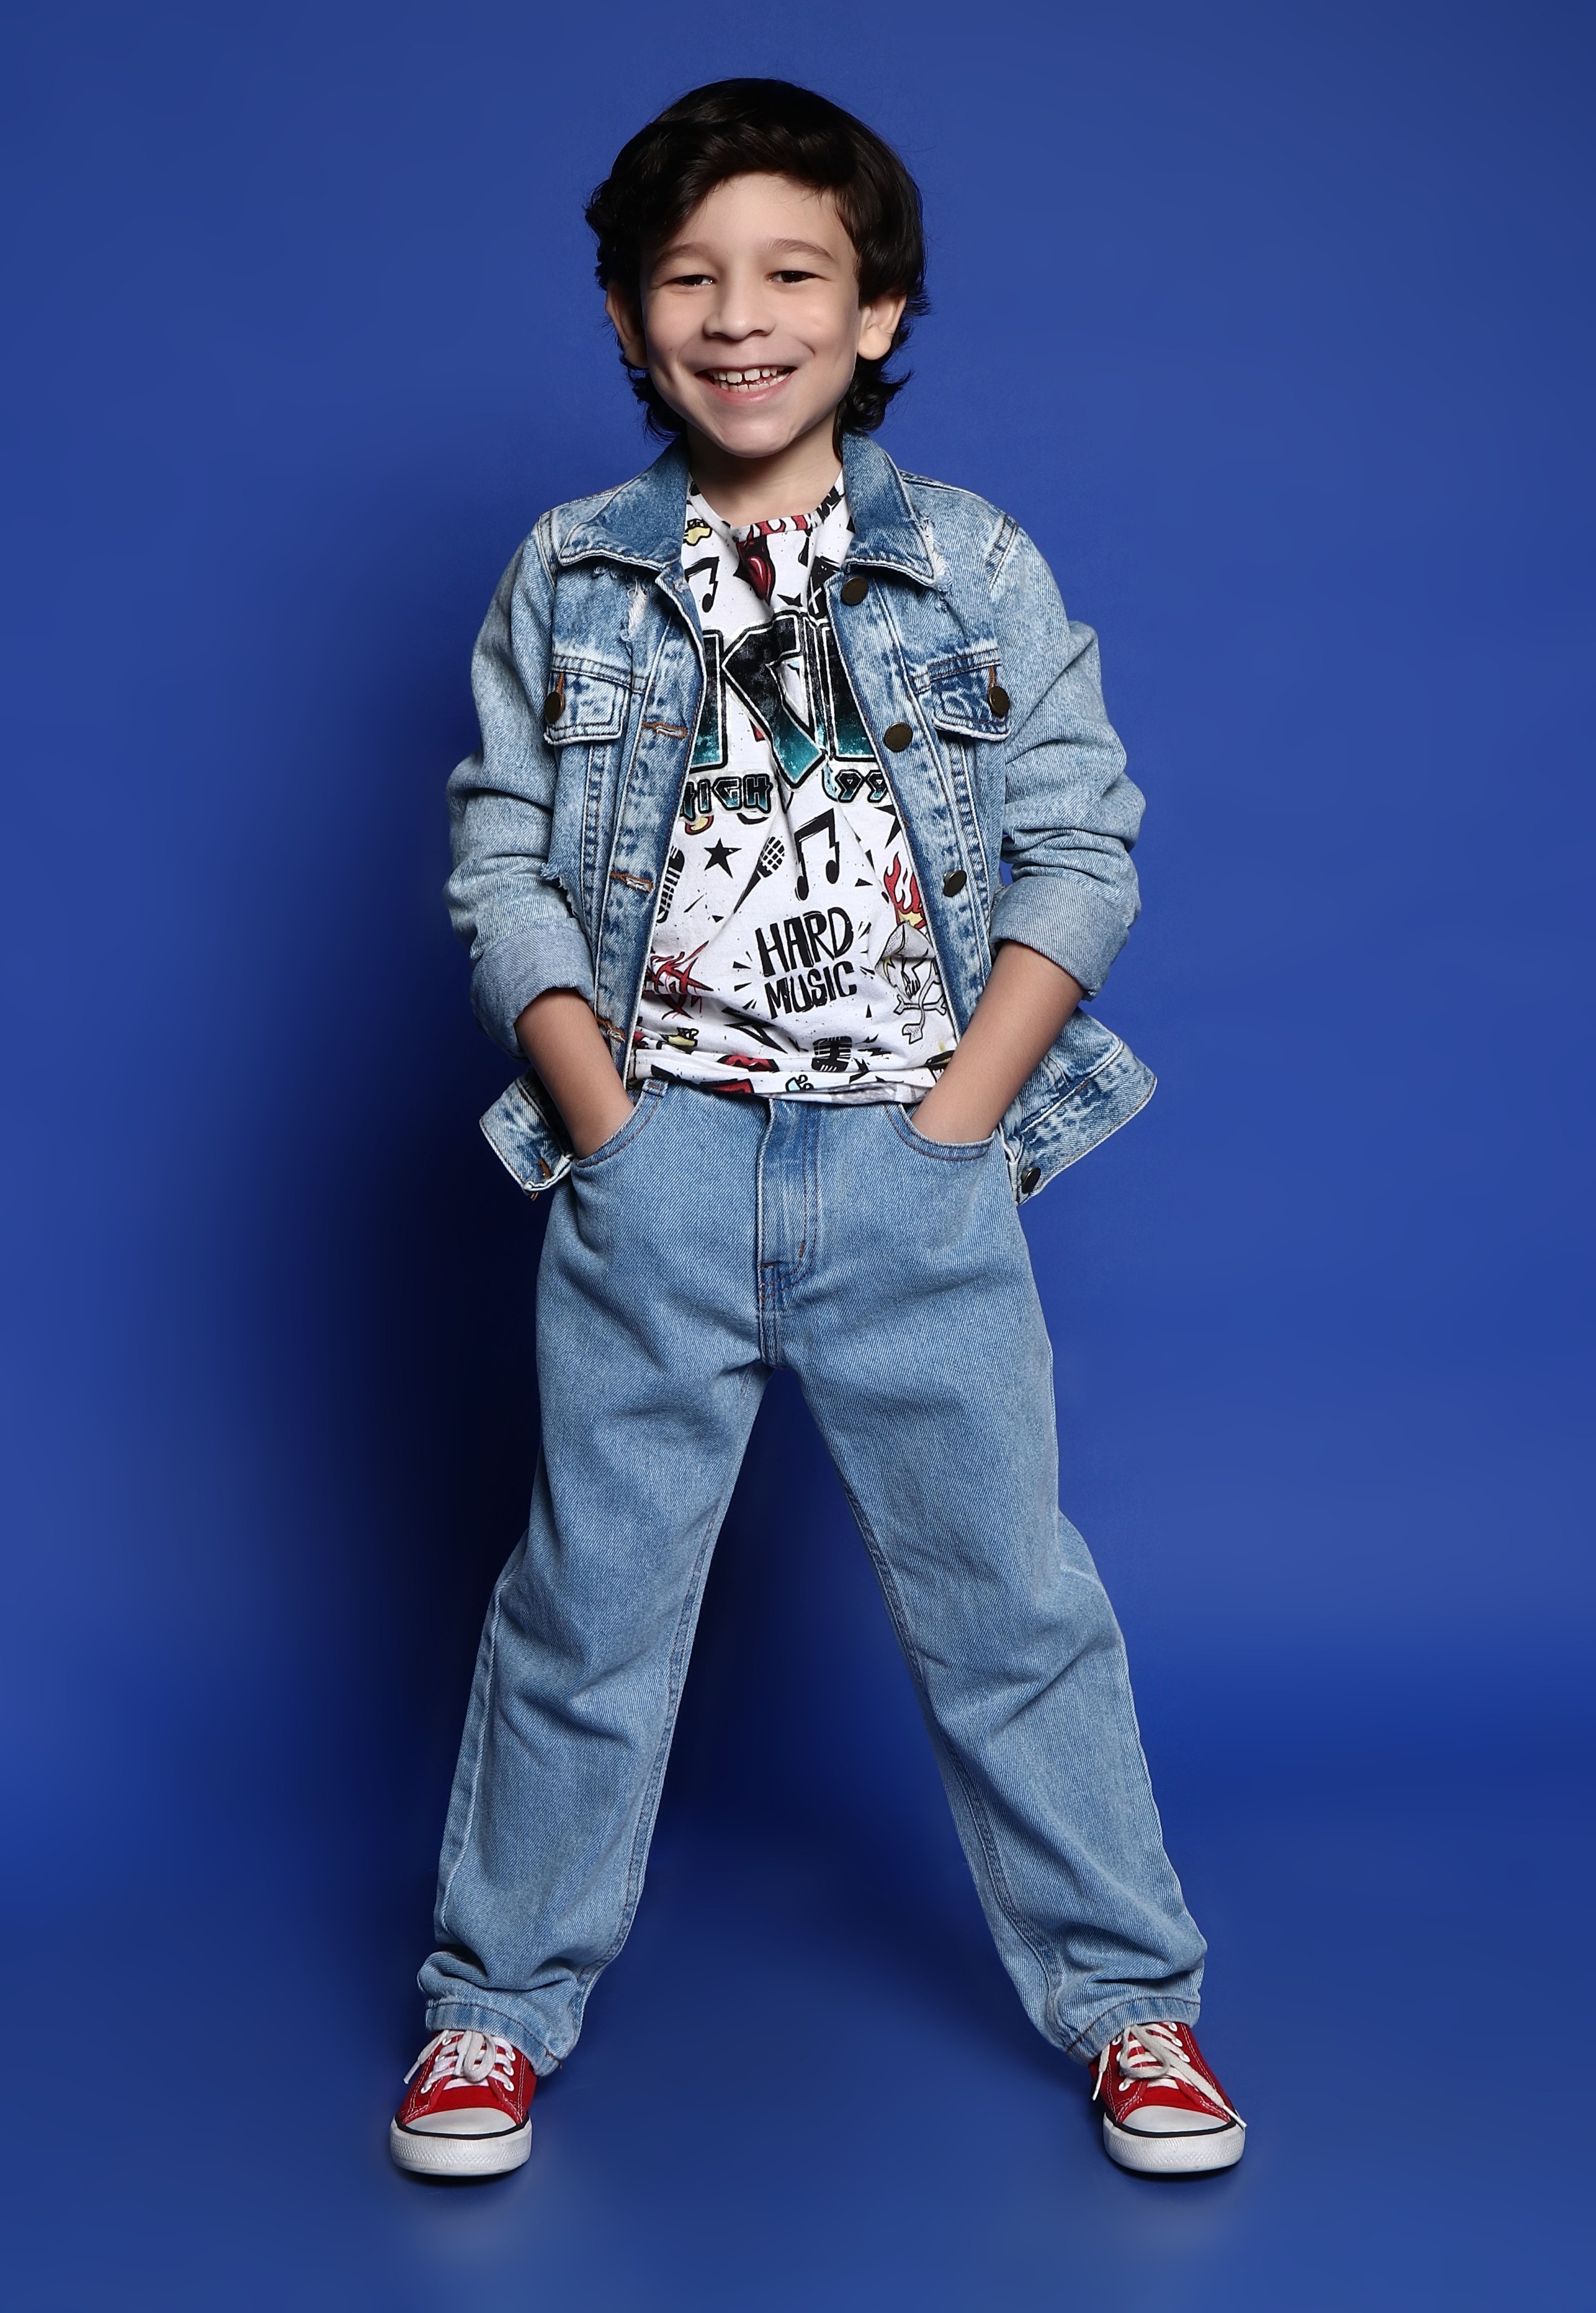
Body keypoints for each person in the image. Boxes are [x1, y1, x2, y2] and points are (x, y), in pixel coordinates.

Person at [390, 78, 1244, 2183]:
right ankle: (492, 2010)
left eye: (792, 274)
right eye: (689, 278)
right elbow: (502, 860)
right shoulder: (572, 572)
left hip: (907, 1169)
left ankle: (1130, 2008)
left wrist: (956, 1122)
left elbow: (1082, 851)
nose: (738, 316)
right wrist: (604, 1119)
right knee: (587, 1612)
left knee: (1009, 1608)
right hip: (657, 1164)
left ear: (876, 316)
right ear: (624, 317)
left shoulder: (968, 563)